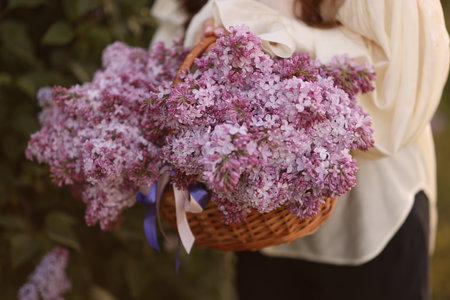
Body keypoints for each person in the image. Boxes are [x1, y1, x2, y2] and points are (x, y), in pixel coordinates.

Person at [150, 0, 450, 299]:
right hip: (259, 217)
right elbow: (170, 50)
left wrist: (268, 41)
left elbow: (398, 94)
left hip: (371, 216)